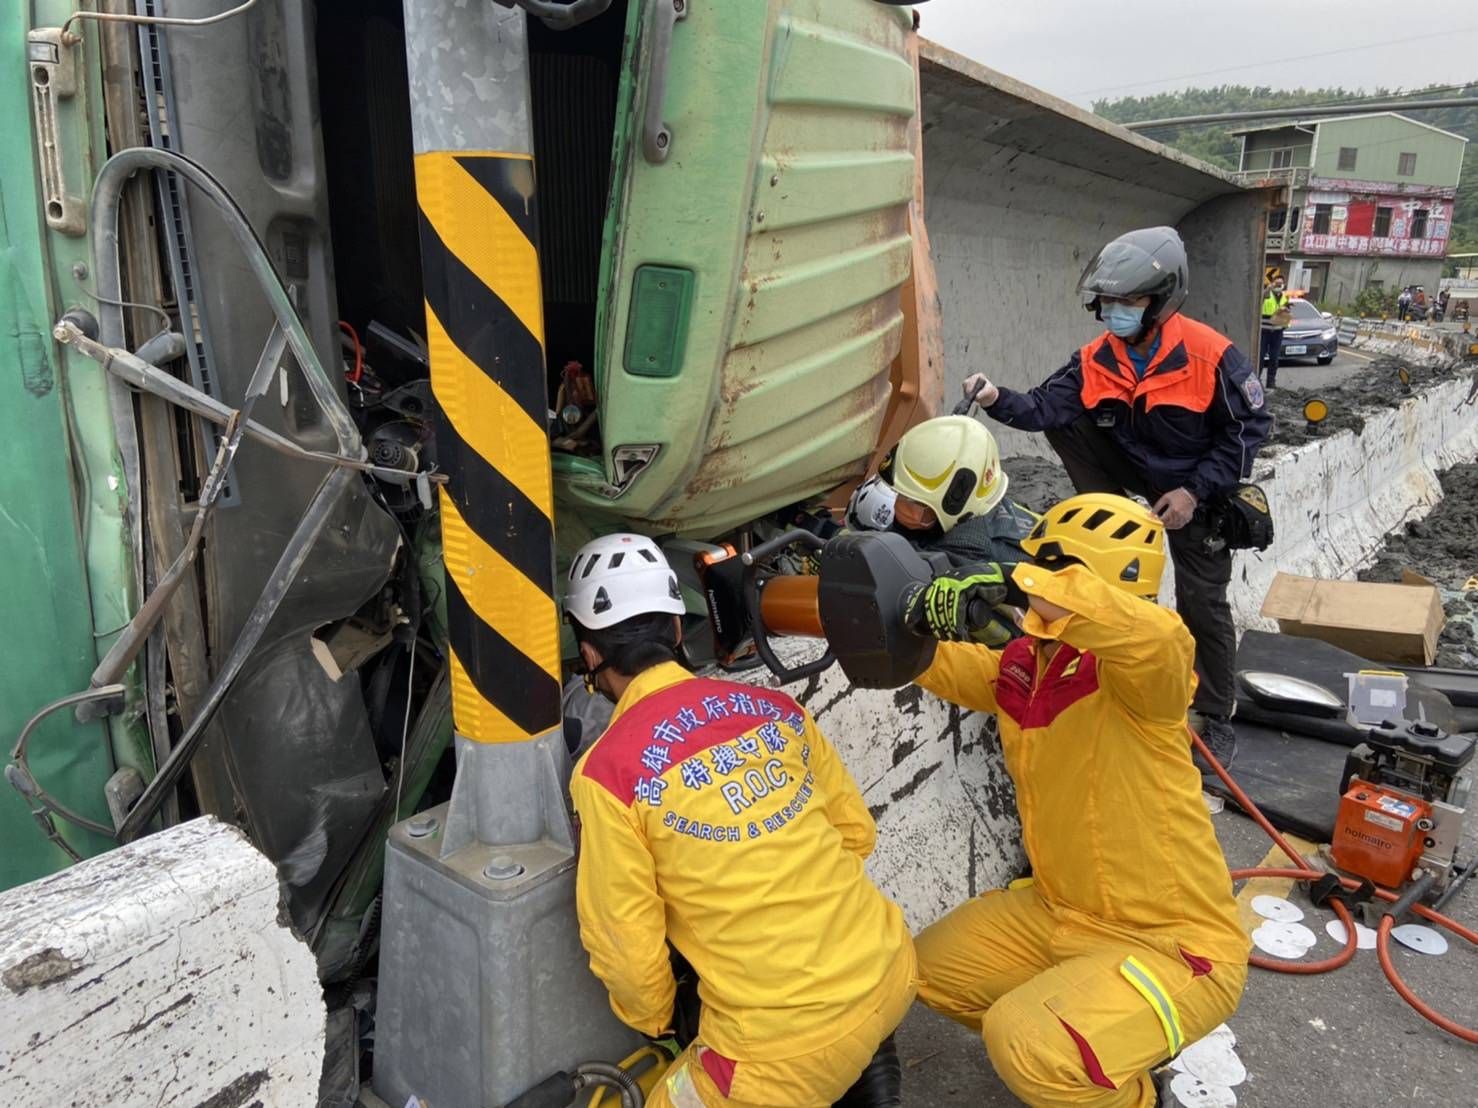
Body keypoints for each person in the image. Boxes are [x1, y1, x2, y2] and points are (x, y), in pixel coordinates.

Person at [904, 493, 1250, 1108]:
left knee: (1029, 1044)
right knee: (924, 971)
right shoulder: (1027, 666)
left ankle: (1127, 1089)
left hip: (1173, 943)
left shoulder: (1148, 677)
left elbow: (1155, 634)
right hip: (1056, 912)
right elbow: (940, 664)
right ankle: (1092, 1046)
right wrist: (900, 614)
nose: (1033, 582)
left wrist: (1015, 582)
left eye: (1050, 570)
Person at [564, 533, 916, 1108]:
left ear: (590, 656)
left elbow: (624, 946)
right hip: (891, 970)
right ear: (677, 630)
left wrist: (657, 1016)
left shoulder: (607, 773)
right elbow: (856, 835)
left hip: (778, 1054)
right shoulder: (778, 710)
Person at [960, 226, 1272, 766]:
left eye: (1127, 302)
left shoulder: (1210, 356)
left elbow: (1247, 431)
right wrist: (993, 397)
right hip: (1137, 478)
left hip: (1197, 489)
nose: (1114, 313)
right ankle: (1107, 513)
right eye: (1107, 303)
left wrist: (1194, 493)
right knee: (1067, 423)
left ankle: (1218, 713)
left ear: (1160, 301)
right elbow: (1042, 408)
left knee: (1202, 601)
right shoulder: (1096, 358)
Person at [845, 415, 1040, 645]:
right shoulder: (984, 512)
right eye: (900, 494)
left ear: (956, 501)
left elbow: (900, 572)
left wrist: (847, 560)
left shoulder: (972, 558)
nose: (899, 506)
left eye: (915, 502)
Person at [1258, 276, 1289, 388]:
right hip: (1264, 331)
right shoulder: (1267, 294)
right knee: (1260, 358)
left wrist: (1284, 325)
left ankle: (1271, 381)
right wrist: (1268, 288)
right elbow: (1260, 298)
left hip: (1277, 332)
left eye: (1280, 284)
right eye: (1276, 284)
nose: (1278, 286)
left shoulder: (1284, 298)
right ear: (1272, 284)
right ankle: (1257, 380)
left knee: (1274, 358)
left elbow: (1286, 314)